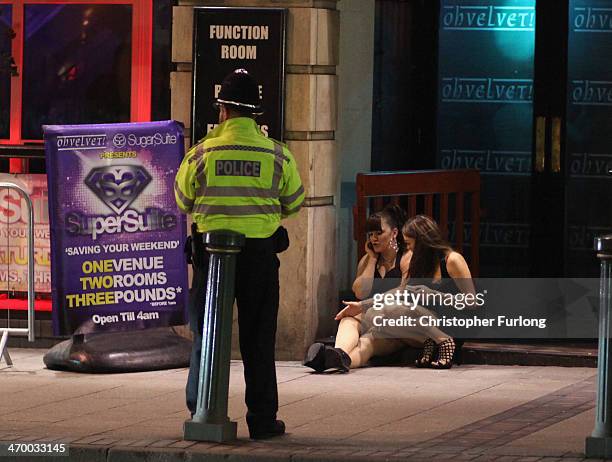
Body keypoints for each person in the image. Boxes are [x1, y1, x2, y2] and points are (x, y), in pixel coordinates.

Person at [174, 68, 304, 439]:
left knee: (206, 333)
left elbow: (183, 200)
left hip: (210, 257)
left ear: (224, 110)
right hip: (260, 256)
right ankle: (262, 420)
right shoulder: (277, 154)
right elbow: (293, 202)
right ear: (255, 113)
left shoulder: (201, 153)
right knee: (258, 339)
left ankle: (201, 408)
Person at [335, 214, 476, 369]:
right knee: (372, 331)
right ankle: (337, 359)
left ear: (422, 241)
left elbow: (472, 302)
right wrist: (362, 305)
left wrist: (435, 296)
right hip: (422, 325)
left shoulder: (452, 260)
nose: (408, 249)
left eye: (409, 244)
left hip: (451, 323)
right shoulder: (419, 262)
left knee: (393, 310)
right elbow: (401, 293)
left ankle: (444, 340)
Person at [303, 204, 411, 372]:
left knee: (368, 341)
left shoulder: (406, 258)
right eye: (371, 234)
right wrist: (372, 259)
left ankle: (328, 360)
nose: (374, 238)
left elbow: (404, 294)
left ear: (394, 233)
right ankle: (336, 356)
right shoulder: (368, 260)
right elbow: (360, 292)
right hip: (373, 318)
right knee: (348, 318)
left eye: (379, 233)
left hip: (396, 324)